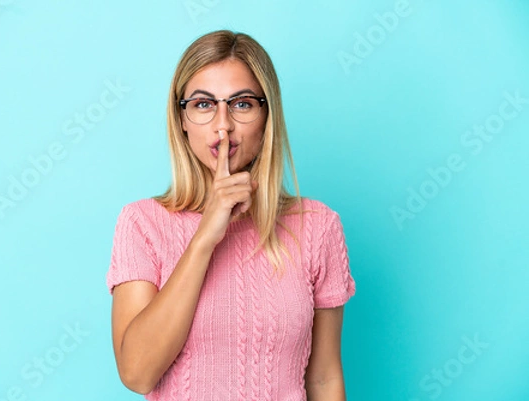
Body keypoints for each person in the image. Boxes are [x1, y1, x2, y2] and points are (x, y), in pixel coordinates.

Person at [106, 30, 356, 401]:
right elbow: (138, 373)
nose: (223, 125)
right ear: (183, 120)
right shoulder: (142, 223)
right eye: (203, 105)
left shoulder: (317, 227)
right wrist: (205, 235)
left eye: (241, 104)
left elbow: (323, 379)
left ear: (266, 115)